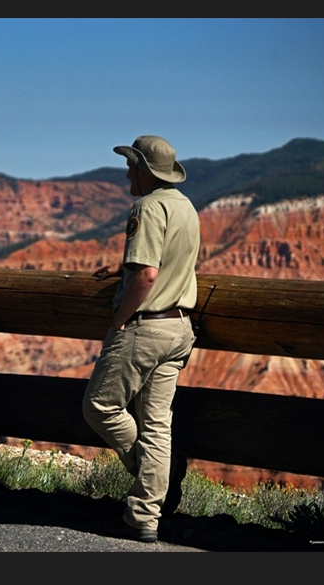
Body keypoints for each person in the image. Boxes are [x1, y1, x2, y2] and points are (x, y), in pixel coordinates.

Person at [82, 135, 199, 543]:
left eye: (132, 165)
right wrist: (124, 268)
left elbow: (149, 275)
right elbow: (165, 262)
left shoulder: (147, 207)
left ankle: (158, 477)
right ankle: (144, 518)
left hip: (146, 327)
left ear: (145, 170)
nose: (127, 172)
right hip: (180, 329)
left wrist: (119, 319)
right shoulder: (187, 207)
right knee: (156, 426)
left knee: (99, 406)